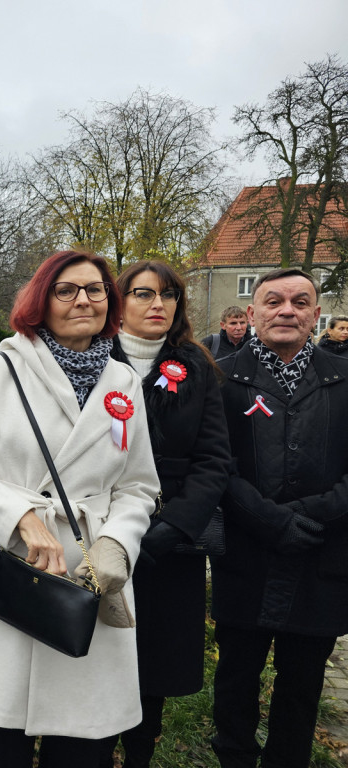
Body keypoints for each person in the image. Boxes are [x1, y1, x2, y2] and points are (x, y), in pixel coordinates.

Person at [0, 251, 158, 768]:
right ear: (41, 301)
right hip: (13, 566)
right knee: (4, 735)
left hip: (87, 572)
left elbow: (140, 486)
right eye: (67, 290)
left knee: (84, 743)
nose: (84, 299)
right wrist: (21, 517)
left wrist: (117, 543)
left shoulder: (124, 383)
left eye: (96, 289)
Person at [211, 268, 348, 768]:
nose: (286, 310)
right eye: (273, 301)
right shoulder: (221, 378)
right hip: (247, 557)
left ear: (316, 313)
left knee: (302, 688)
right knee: (235, 682)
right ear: (252, 313)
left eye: (299, 301)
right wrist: (269, 520)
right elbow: (215, 466)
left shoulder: (344, 378)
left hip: (321, 558)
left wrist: (310, 515)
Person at [98, 261, 231, 768]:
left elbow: (215, 459)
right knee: (94, 648)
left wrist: (173, 527)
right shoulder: (89, 359)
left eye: (169, 295)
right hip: (98, 531)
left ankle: (138, 754)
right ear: (120, 301)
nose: (159, 304)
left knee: (151, 659)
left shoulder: (196, 367)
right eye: (144, 293)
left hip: (168, 543)